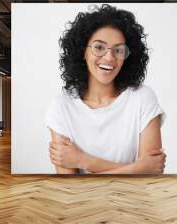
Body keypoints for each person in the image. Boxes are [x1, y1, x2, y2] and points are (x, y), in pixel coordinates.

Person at [45, 4, 166, 174]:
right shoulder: (61, 106)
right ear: (82, 52)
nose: (109, 57)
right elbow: (69, 188)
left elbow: (151, 174)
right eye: (99, 47)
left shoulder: (142, 98)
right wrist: (137, 168)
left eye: (119, 50)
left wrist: (82, 160)